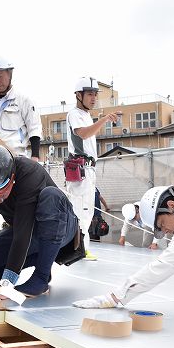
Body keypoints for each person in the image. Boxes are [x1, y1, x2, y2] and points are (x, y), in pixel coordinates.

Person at [0, 144, 79, 302]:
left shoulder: (29, 173)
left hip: (61, 228)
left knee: (51, 196)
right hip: (25, 231)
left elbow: (22, 234)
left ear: (11, 180)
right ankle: (41, 259)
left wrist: (5, 284)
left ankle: (41, 277)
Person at [65, 77, 120, 260]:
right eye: (90, 94)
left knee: (86, 211)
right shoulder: (75, 114)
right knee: (80, 211)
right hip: (80, 168)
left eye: (95, 94)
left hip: (88, 169)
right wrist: (103, 120)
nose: (94, 98)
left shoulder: (86, 115)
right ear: (78, 95)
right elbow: (83, 133)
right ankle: (77, 249)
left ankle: (82, 249)